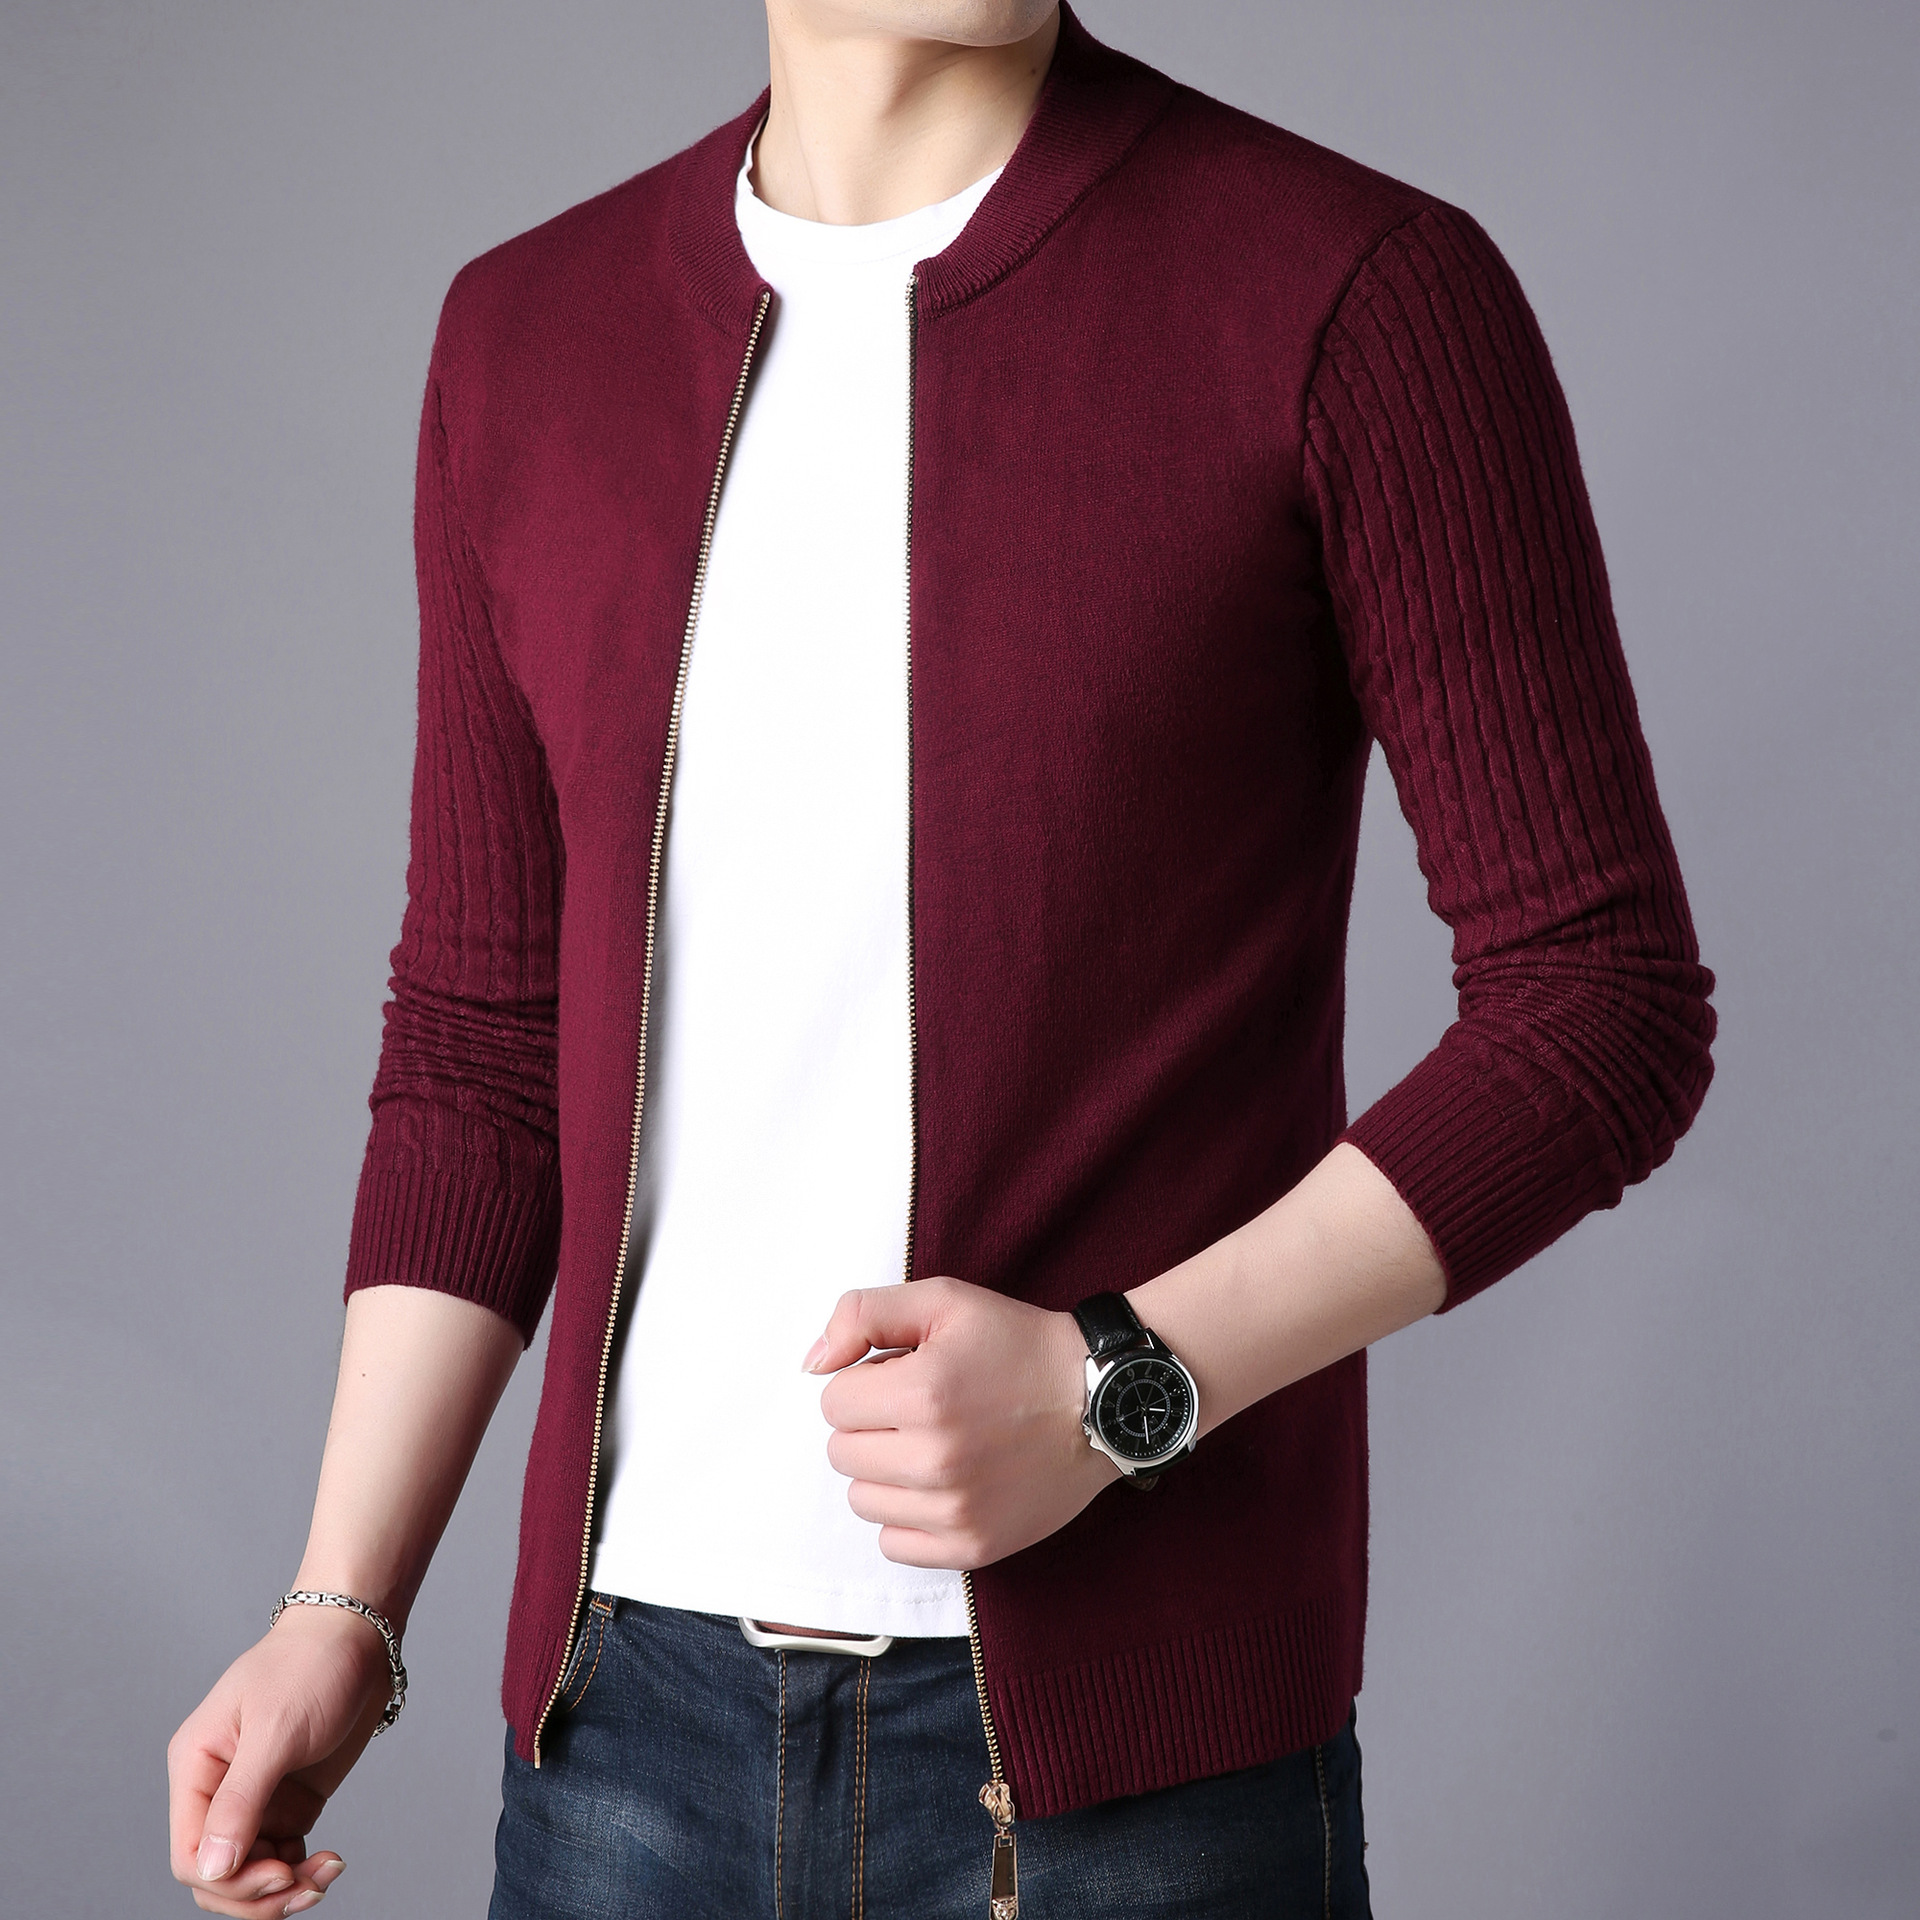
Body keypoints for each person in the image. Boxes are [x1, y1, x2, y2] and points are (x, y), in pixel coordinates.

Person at [165, 3, 1716, 1915]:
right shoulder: (526, 336)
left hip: (1135, 1786)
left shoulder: (1349, 290)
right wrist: (341, 1604)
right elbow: (484, 1045)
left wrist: (1116, 1384)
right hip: (618, 1746)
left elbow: (1600, 1004)